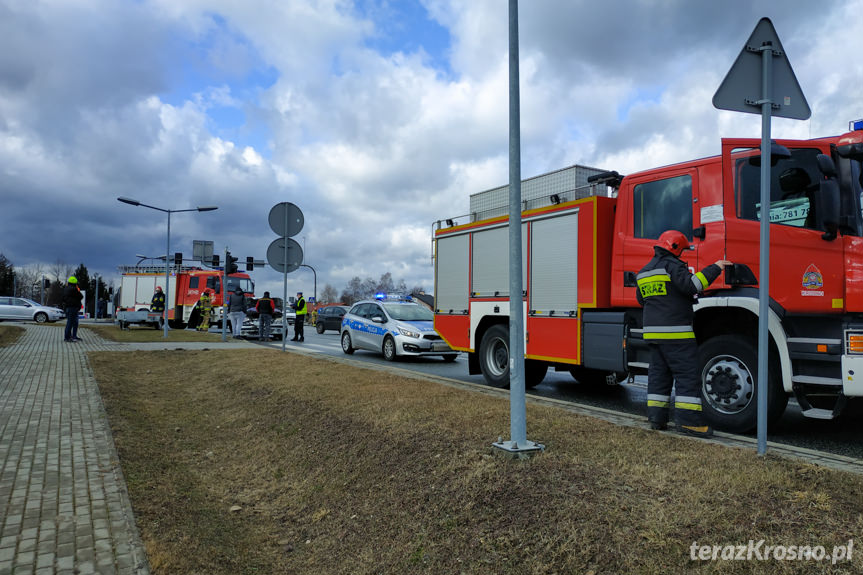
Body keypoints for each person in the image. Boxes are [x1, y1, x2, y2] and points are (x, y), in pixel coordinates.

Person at [635, 230, 731, 438]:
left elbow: (642, 301)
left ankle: (656, 418)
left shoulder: (643, 272)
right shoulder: (673, 267)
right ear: (675, 248)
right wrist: (716, 267)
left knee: (659, 376)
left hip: (653, 335)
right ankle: (689, 423)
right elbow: (692, 286)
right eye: (682, 250)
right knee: (687, 375)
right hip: (676, 333)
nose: (682, 255)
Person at [62, 276, 84, 342]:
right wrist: (78, 289)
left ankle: (72, 336)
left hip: (69, 307)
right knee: (71, 322)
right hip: (73, 308)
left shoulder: (66, 289)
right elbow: (81, 296)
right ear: (75, 283)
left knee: (73, 322)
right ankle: (68, 337)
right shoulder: (74, 289)